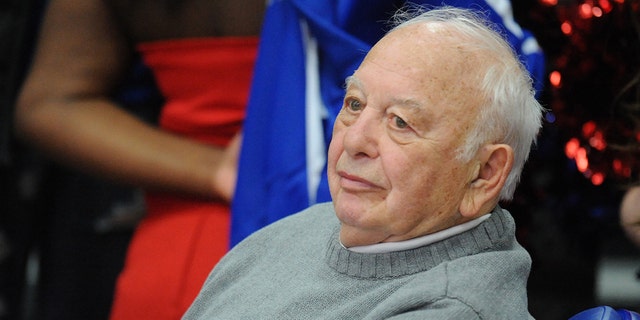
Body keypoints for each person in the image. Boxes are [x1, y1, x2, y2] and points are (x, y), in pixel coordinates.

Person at [183, 6, 544, 319]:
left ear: (484, 174)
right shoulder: (296, 230)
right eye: (354, 104)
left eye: (400, 122)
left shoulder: (453, 309)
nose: (353, 140)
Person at [14, 0, 264, 318]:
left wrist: (217, 170)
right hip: (239, 227)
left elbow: (53, 101)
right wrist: (221, 170)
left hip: (186, 241)